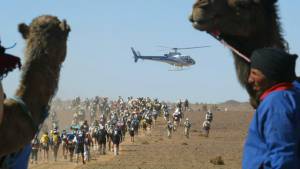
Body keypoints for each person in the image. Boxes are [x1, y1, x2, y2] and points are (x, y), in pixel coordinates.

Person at [242, 48, 300, 169]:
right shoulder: (292, 94)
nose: (249, 80)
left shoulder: (276, 103)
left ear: (271, 76)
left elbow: (283, 155)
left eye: (254, 73)